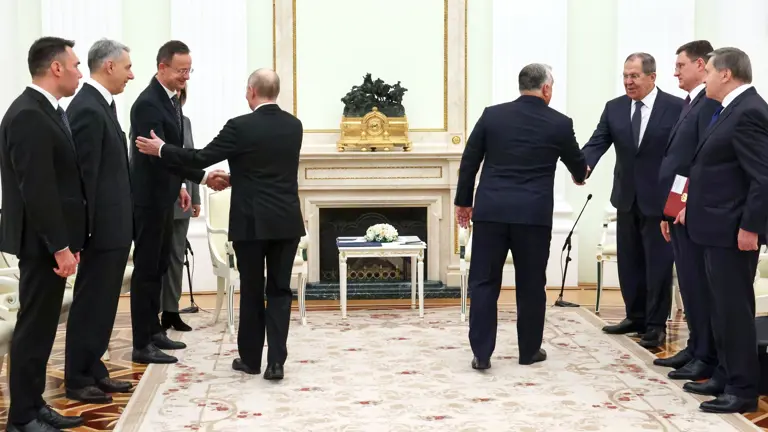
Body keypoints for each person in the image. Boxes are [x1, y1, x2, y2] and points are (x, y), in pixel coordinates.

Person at [135, 68, 305, 381]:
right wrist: (238, 177)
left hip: (250, 223)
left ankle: (251, 360)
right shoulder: (294, 126)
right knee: (280, 291)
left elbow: (201, 157)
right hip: (286, 221)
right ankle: (276, 363)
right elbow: (270, 170)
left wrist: (162, 149)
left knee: (252, 290)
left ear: (251, 91)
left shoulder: (240, 126)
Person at [454, 64, 588, 370]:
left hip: (491, 213)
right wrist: (581, 174)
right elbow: (578, 167)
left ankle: (482, 354)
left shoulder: (492, 116)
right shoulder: (560, 123)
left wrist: (463, 202)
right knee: (531, 285)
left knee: (484, 282)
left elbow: (470, 160)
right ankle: (528, 351)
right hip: (533, 216)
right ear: (546, 89)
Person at [0, 36, 86, 432]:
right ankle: (21, 417)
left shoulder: (43, 111)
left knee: (42, 329)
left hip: (48, 243)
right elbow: (38, 190)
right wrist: (60, 247)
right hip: (41, 245)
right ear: (56, 68)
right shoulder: (29, 114)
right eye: (76, 65)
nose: (79, 73)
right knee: (33, 329)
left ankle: (34, 406)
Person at [678, 47, 768, 414]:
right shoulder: (729, 109)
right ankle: (724, 374)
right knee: (720, 308)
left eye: (710, 72)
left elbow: (762, 177)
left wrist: (750, 227)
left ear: (726, 74)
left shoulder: (749, 111)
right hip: (714, 229)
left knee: (734, 311)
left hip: (733, 233)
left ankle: (743, 388)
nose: (706, 78)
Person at [128, 40, 227, 364]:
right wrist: (201, 177)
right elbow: (157, 155)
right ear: (162, 67)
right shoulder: (148, 104)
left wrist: (181, 186)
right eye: (181, 70)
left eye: (189, 70)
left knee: (159, 267)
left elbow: (171, 151)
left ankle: (154, 330)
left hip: (165, 194)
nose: (186, 77)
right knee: (146, 271)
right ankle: (141, 343)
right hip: (148, 200)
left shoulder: (170, 100)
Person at [581, 53, 684, 347]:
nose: (628, 81)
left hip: (660, 201)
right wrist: (583, 166)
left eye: (634, 76)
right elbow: (598, 141)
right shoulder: (614, 108)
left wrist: (678, 200)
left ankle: (655, 324)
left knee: (658, 265)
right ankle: (634, 316)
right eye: (625, 76)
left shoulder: (676, 107)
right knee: (629, 263)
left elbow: (683, 153)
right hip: (626, 199)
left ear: (652, 77)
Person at [63, 38, 135, 404]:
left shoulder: (102, 105)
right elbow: (83, 177)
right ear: (109, 66)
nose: (131, 75)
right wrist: (83, 232)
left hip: (113, 227)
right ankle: (77, 378)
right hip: (100, 230)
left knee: (104, 304)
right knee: (91, 303)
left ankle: (94, 369)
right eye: (127, 67)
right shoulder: (88, 108)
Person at [655, 40, 720, 380]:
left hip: (692, 210)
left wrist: (686, 204)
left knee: (697, 283)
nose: (675, 72)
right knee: (688, 282)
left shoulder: (708, 103)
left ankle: (705, 354)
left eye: (680, 65)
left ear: (700, 64)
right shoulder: (690, 102)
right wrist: (669, 210)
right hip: (679, 208)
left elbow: (702, 160)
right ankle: (695, 347)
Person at [160, 85, 199, 332]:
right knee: (158, 260)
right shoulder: (152, 118)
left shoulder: (186, 122)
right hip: (160, 200)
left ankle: (171, 311)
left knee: (176, 258)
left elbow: (191, 158)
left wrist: (196, 197)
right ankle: (153, 312)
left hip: (183, 202)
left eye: (180, 94)